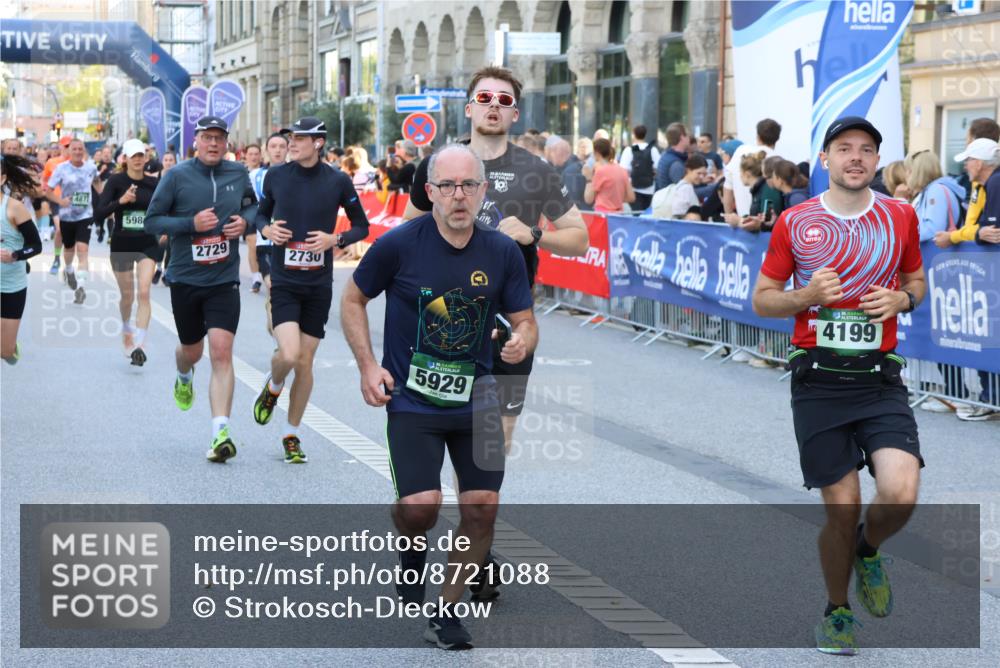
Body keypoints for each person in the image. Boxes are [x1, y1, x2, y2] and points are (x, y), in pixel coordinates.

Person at [341, 144, 536, 650]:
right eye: (446, 186)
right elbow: (354, 298)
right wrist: (368, 365)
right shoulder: (400, 244)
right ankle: (411, 553)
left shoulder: (502, 252)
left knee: (483, 506)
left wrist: (522, 341)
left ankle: (446, 612)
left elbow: (525, 319)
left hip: (479, 399)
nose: (458, 196)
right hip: (412, 399)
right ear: (428, 192)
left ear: (482, 192)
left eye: (468, 186)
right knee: (421, 507)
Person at [403, 65, 586, 600]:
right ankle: (437, 533)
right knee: (437, 440)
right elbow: (411, 231)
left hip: (510, 327)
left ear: (514, 111)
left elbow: (580, 236)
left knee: (491, 448)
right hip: (443, 325)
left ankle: (474, 544)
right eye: (482, 97)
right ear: (467, 107)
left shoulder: (535, 172)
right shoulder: (439, 164)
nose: (492, 105)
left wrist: (535, 234)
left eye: (502, 99)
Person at [752, 117, 926, 656]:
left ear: (877, 161)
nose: (856, 157)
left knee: (900, 492)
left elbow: (917, 279)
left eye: (867, 150)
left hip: (879, 378)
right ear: (825, 159)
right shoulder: (796, 220)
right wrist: (804, 297)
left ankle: (868, 551)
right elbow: (763, 297)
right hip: (819, 381)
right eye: (845, 149)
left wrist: (903, 300)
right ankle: (838, 610)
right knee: (842, 507)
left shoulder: (899, 217)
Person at [251, 117, 370, 462]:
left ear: (318, 143)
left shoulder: (338, 180)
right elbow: (260, 216)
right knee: (288, 354)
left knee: (304, 363)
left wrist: (337, 239)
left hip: (318, 283)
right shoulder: (276, 176)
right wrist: (267, 230)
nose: (291, 142)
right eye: (290, 137)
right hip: (285, 280)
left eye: (299, 137)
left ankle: (291, 435)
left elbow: (361, 225)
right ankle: (274, 387)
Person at [145, 116, 257, 462]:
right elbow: (153, 221)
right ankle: (183, 374)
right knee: (191, 352)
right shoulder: (177, 176)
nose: (213, 144)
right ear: (196, 141)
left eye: (219, 139)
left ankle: (221, 433)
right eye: (207, 138)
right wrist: (189, 225)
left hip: (224, 279)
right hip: (185, 278)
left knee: (222, 351)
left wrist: (246, 221)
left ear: (226, 143)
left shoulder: (238, 173)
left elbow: (253, 205)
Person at [935, 137, 1000, 421]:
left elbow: (991, 232)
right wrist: (965, 234)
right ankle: (990, 397)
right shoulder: (980, 185)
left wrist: (955, 236)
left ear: (982, 163)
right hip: (988, 271)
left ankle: (993, 398)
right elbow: (974, 226)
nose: (966, 166)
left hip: (991, 271)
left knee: (989, 334)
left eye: (970, 161)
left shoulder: (996, 183)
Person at [94, 139, 160, 365]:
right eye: (134, 156)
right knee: (127, 296)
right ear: (125, 159)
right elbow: (99, 213)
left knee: (143, 293)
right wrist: (121, 201)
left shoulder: (153, 183)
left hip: (147, 244)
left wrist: (165, 229)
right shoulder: (116, 181)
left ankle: (139, 344)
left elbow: (164, 208)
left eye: (141, 155)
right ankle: (126, 330)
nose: (139, 159)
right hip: (122, 244)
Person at [46, 138, 103, 305]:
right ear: (69, 151)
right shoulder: (61, 168)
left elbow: (98, 185)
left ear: (84, 151)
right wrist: (60, 201)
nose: (78, 152)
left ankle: (81, 287)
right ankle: (69, 269)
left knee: (83, 250)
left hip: (85, 215)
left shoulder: (91, 167)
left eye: (80, 149)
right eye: (75, 149)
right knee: (69, 248)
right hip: (66, 216)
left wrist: (106, 200)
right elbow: (48, 191)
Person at [1, 154, 44, 365]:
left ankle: (10, 348)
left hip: (11, 285)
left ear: (2, 179)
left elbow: (36, 245)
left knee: (5, 352)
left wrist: (16, 255)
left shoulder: (14, 208)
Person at [249, 133, 289, 311]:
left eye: (282, 146)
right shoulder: (256, 175)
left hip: (289, 242)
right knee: (274, 288)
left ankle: (280, 324)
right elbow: (247, 203)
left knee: (284, 293)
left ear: (288, 149)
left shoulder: (296, 174)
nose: (278, 150)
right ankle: (276, 321)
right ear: (266, 150)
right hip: (265, 240)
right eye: (273, 146)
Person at [724, 118, 781, 217]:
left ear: (757, 136)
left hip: (743, 222)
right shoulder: (779, 162)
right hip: (764, 225)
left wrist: (730, 217)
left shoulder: (740, 151)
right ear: (777, 138)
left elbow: (728, 188)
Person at [904, 150, 964, 242]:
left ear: (918, 172)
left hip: (938, 254)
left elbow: (933, 230)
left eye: (909, 170)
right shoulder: (932, 190)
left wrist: (903, 232)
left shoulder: (936, 191)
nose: (906, 174)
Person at [42, 136, 72, 275]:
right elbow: (45, 178)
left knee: (71, 235)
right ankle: (56, 258)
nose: (68, 149)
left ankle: (68, 264)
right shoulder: (52, 162)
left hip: (73, 202)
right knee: (60, 230)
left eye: (70, 146)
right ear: (60, 147)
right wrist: (46, 189)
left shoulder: (78, 163)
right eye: (65, 146)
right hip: (57, 200)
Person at [585, 137, 635, 213]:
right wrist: (616, 198)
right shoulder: (622, 170)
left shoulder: (600, 172)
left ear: (596, 153)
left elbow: (588, 199)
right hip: (618, 216)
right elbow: (631, 197)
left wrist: (588, 178)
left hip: (602, 216)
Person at [652, 154, 707, 220]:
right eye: (699, 173)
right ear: (689, 170)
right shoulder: (686, 189)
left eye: (704, 174)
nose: (701, 177)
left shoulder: (678, 186)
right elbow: (679, 214)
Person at [618, 125, 661, 211]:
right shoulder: (652, 150)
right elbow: (658, 168)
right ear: (645, 135)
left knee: (636, 216)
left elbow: (623, 171)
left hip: (633, 189)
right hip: (649, 188)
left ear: (633, 134)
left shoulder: (628, 150)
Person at [545, 136, 587, 210]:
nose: (551, 156)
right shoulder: (573, 166)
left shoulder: (570, 172)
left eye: (552, 153)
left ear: (558, 153)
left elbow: (570, 201)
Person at [654, 122, 690, 190]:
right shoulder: (676, 163)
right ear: (682, 137)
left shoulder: (666, 155)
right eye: (687, 136)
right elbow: (684, 190)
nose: (689, 139)